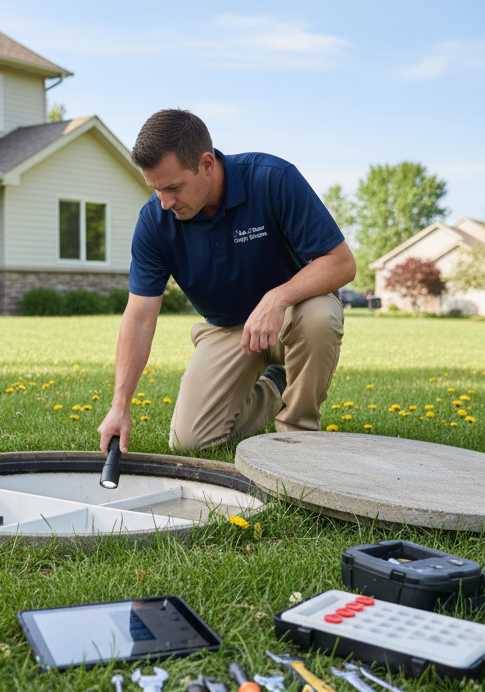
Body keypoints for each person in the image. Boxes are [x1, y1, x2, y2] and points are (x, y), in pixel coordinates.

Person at [97, 109, 356, 456]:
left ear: (206, 164)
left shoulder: (273, 179)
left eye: (173, 187)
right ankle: (276, 389)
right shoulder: (155, 221)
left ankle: (299, 436)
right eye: (156, 189)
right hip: (227, 330)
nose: (165, 202)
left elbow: (340, 263)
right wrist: (119, 405)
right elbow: (140, 317)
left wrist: (277, 299)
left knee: (321, 315)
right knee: (191, 441)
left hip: (291, 317)